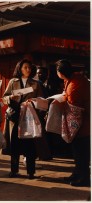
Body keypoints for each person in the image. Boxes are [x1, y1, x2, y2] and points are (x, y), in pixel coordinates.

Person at [2, 59, 43, 179]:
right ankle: (14, 171)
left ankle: (31, 172)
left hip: (29, 116)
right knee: (14, 144)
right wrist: (11, 98)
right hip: (15, 116)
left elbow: (41, 100)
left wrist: (33, 102)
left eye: (29, 68)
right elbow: (4, 98)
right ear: (20, 69)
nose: (28, 70)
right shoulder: (13, 82)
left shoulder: (36, 83)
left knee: (30, 145)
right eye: (25, 67)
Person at [56, 59, 90, 187]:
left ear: (60, 72)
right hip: (79, 124)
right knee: (77, 152)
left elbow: (73, 103)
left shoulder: (75, 83)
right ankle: (77, 173)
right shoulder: (73, 79)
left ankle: (84, 178)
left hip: (82, 125)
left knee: (82, 153)